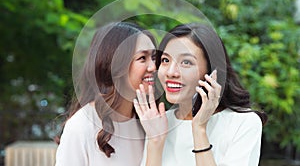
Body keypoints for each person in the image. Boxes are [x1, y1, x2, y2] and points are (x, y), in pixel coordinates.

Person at [134, 23, 268, 166]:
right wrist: (155, 141)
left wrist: (199, 129)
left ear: (212, 71)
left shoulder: (243, 123)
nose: (170, 72)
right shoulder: (160, 122)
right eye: (165, 60)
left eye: (186, 62)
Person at [55, 22, 157, 166]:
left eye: (153, 57)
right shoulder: (81, 127)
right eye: (142, 58)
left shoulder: (151, 123)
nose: (153, 67)